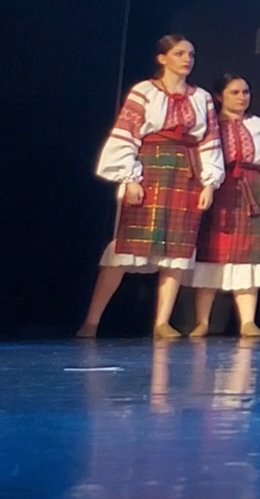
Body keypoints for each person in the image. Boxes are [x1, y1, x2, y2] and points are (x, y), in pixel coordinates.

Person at [81, 35, 224, 338]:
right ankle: (92, 321)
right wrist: (130, 178)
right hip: (149, 169)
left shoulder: (201, 98)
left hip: (187, 174)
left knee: (177, 250)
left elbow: (210, 142)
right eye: (179, 53)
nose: (187, 59)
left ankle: (162, 321)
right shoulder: (144, 91)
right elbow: (126, 133)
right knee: (125, 247)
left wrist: (209, 184)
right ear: (163, 58)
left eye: (191, 54)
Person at [187, 74, 260, 338]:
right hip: (219, 190)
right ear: (219, 96)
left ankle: (247, 321)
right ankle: (202, 321)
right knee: (211, 253)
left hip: (251, 191)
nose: (242, 97)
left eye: (245, 92)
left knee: (248, 256)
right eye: (234, 92)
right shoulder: (210, 126)